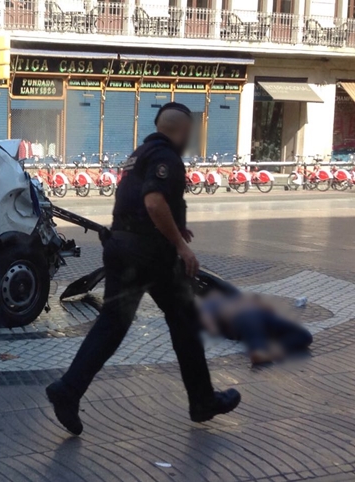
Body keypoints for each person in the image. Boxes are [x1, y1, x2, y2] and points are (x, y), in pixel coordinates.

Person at [46, 102, 241, 436]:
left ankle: (68, 390)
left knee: (112, 325)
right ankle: (202, 401)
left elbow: (138, 202)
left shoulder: (140, 154)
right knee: (184, 321)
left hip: (122, 246)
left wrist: (177, 229)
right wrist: (180, 245)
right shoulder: (167, 157)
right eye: (190, 132)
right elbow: (153, 201)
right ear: (181, 130)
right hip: (150, 256)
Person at [199, 290, 313, 365]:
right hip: (249, 318)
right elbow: (209, 322)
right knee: (253, 326)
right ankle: (262, 350)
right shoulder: (212, 303)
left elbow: (210, 325)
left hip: (258, 317)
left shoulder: (218, 301)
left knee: (305, 336)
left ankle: (266, 351)